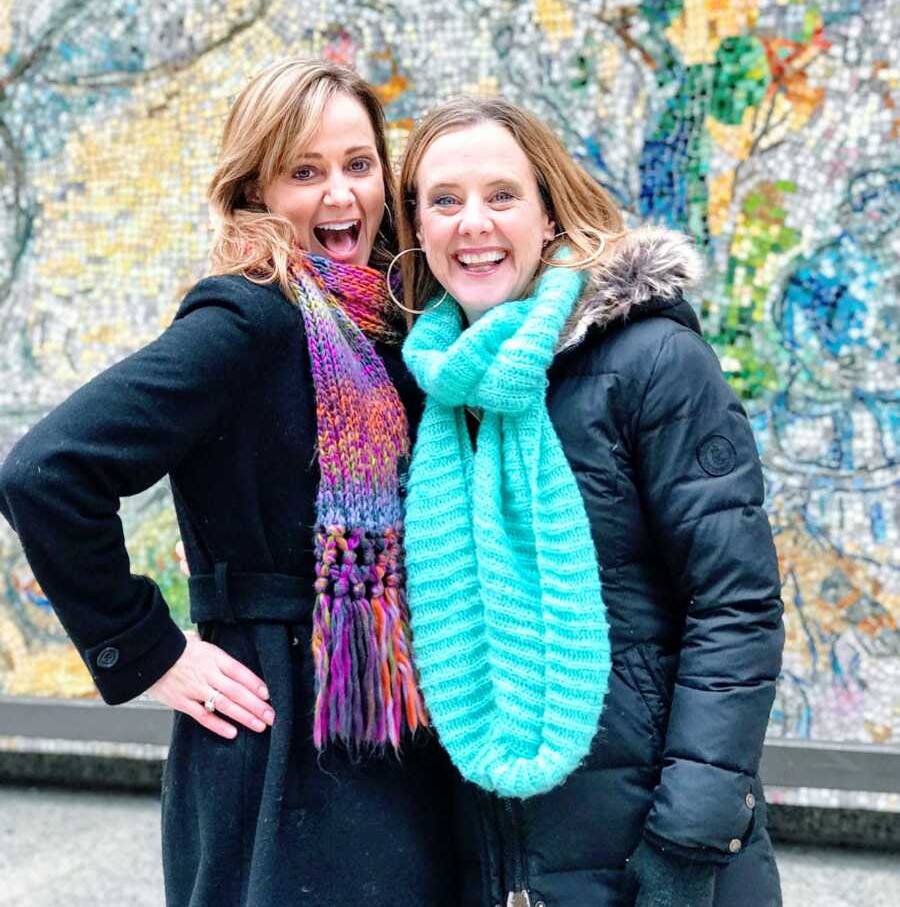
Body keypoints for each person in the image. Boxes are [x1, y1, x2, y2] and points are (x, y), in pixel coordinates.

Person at [0, 59, 458, 907]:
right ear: (256, 189)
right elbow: (47, 472)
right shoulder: (247, 318)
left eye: (359, 166)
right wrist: (151, 652)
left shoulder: (401, 325)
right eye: (305, 172)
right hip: (281, 736)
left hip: (398, 717)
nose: (340, 198)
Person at [390, 95, 785, 907]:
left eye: (502, 194)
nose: (474, 223)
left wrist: (688, 839)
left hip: (655, 853)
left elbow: (735, 603)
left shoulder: (653, 361)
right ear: (417, 228)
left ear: (548, 211)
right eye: (445, 199)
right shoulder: (427, 387)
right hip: (495, 859)